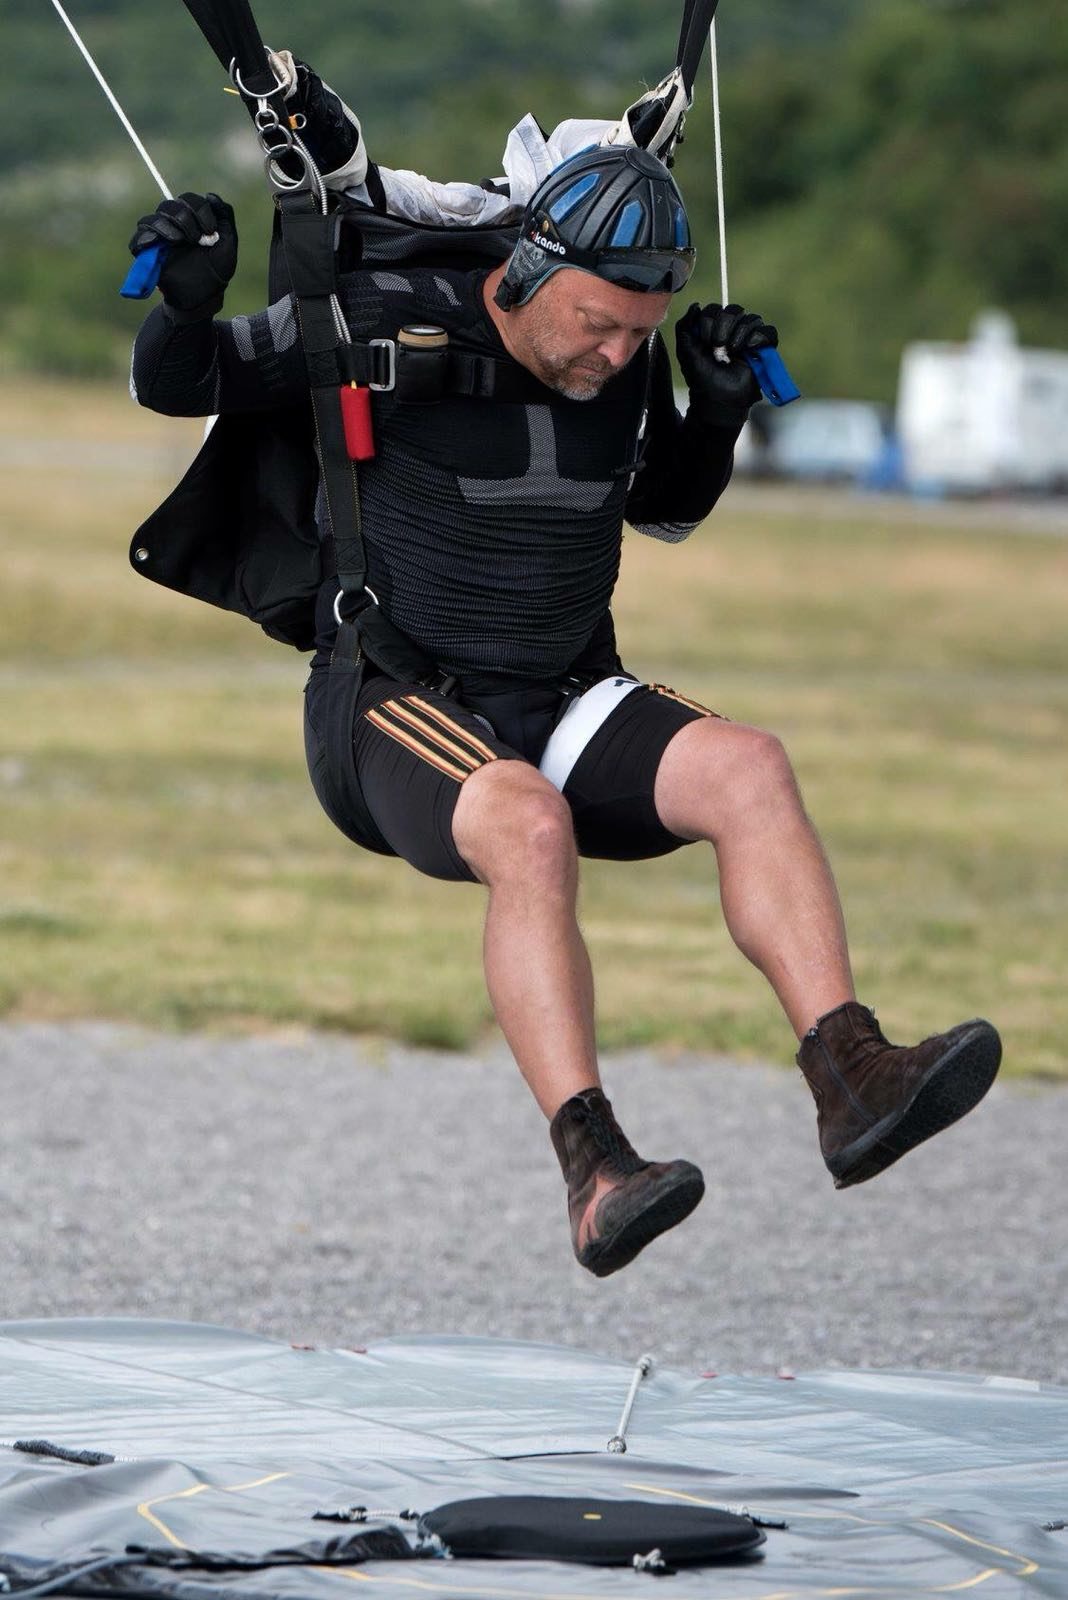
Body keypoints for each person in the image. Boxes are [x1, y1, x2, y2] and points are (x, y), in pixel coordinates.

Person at [128, 121, 1002, 1280]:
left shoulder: (627, 363)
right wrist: (186, 301)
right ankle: (595, 1170)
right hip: (390, 698)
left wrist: (716, 409)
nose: (610, 355)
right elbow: (179, 380)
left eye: (636, 334)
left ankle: (852, 1080)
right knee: (527, 822)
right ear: (527, 274)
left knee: (752, 767)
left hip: (567, 685)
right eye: (595, 325)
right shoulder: (380, 320)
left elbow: (665, 508)